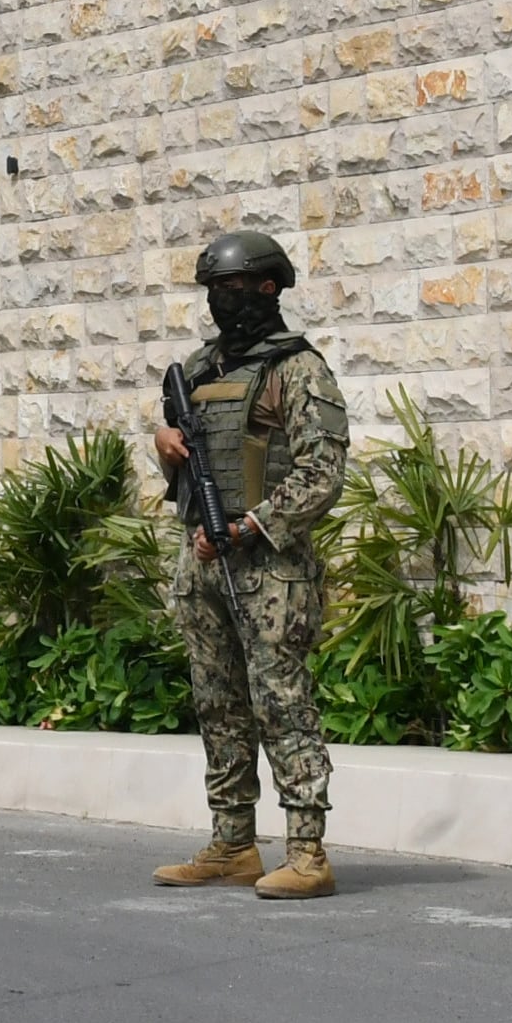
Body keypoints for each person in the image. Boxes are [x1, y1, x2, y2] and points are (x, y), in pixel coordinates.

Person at [148, 230, 356, 900]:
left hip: (268, 566)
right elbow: (185, 466)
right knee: (218, 705)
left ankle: (306, 852)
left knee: (281, 703)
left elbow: (322, 475)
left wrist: (246, 527)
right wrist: (166, 446)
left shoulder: (298, 370)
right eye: (213, 290)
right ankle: (233, 844)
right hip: (202, 559)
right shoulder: (200, 370)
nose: (221, 302)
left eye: (233, 288)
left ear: (269, 288)